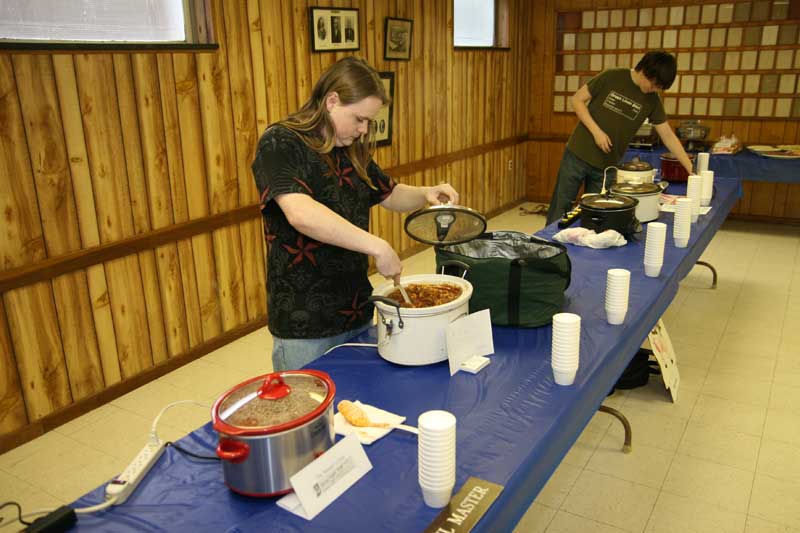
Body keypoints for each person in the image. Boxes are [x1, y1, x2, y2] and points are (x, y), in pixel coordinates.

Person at [252, 57, 458, 371]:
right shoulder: (280, 142)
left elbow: (388, 193)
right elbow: (301, 213)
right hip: (305, 321)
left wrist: (425, 193)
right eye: (359, 119)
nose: (363, 130)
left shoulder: (348, 147)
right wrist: (377, 246)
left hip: (354, 308)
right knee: (313, 414)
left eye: (368, 122)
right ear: (331, 100)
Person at [545, 51, 694, 225]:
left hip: (607, 165)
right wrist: (596, 131)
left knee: (597, 216)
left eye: (659, 88)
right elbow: (577, 100)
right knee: (561, 206)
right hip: (578, 154)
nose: (655, 90)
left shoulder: (652, 100)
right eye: (654, 85)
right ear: (645, 70)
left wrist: (690, 169)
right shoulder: (612, 76)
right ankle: (547, 248)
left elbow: (668, 135)